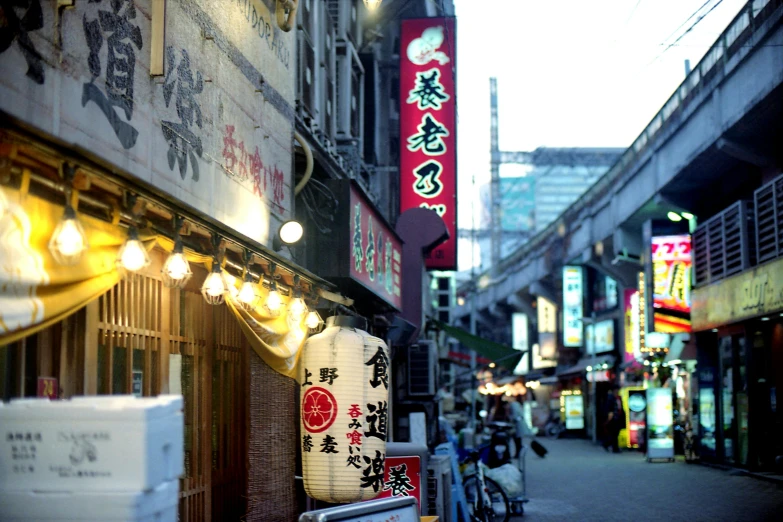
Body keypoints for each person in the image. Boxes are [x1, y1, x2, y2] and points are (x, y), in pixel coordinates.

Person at [603, 384, 625, 453]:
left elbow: (621, 407)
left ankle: (608, 444)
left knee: (616, 433)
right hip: (613, 418)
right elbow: (609, 408)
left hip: (619, 417)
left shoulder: (619, 398)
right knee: (614, 433)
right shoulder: (611, 398)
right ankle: (614, 448)